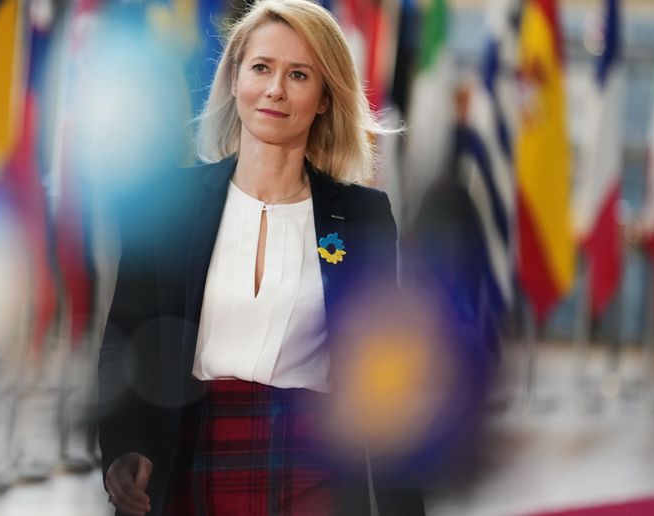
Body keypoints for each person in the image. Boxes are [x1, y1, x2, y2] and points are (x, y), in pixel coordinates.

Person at [96, 0, 423, 514]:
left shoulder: (364, 217)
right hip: (188, 463)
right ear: (233, 79)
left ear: (322, 98)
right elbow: (123, 346)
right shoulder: (164, 205)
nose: (275, 89)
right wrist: (120, 448)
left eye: (298, 74)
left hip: (316, 475)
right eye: (262, 68)